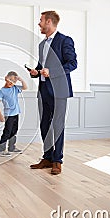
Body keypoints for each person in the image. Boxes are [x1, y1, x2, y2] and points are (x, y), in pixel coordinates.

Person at [29, 10, 77, 175]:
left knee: (57, 125)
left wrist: (52, 72)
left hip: (59, 91)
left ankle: (58, 160)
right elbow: (41, 66)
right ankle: (48, 157)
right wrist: (35, 72)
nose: (39, 24)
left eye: (41, 21)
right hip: (43, 90)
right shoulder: (42, 45)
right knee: (44, 125)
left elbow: (72, 64)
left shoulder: (65, 40)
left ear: (49, 22)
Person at [0, 71, 27, 156]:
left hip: (16, 113)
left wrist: (20, 79)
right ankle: (0, 149)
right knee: (7, 131)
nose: (11, 82)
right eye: (10, 80)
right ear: (6, 78)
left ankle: (11, 147)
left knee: (14, 131)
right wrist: (0, 115)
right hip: (8, 115)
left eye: (14, 81)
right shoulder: (2, 91)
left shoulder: (15, 88)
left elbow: (25, 87)